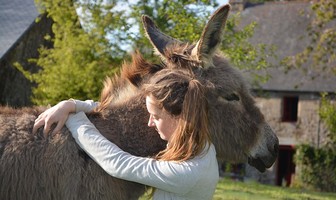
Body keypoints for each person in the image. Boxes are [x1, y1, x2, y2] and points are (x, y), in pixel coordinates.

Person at [33, 69, 219, 200]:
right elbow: (117, 114)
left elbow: (117, 163)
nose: (149, 123)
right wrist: (72, 104)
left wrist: (74, 118)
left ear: (179, 118)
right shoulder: (202, 146)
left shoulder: (188, 174)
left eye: (155, 117)